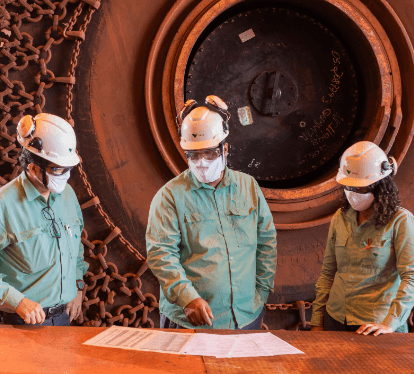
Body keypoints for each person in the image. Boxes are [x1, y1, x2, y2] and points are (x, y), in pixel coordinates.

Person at [146, 95, 277, 329]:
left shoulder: (248, 187)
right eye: (193, 155)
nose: (202, 162)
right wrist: (188, 297)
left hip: (247, 315)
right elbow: (161, 254)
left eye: (209, 153)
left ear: (225, 148)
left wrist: (261, 293)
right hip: (191, 321)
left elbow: (266, 242)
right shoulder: (169, 197)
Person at [310, 141, 414, 335]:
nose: (353, 194)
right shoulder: (340, 219)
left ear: (380, 186)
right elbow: (327, 273)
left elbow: (411, 277)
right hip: (336, 319)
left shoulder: (400, 221)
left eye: (361, 189)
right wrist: (317, 321)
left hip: (377, 326)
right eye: (348, 187)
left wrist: (390, 324)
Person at [0, 113, 88, 326]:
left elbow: (75, 249)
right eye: (58, 170)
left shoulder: (67, 195)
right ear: (32, 166)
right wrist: (18, 302)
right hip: (21, 324)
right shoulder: (5, 205)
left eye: (68, 170)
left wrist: (77, 285)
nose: (65, 177)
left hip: (63, 319)